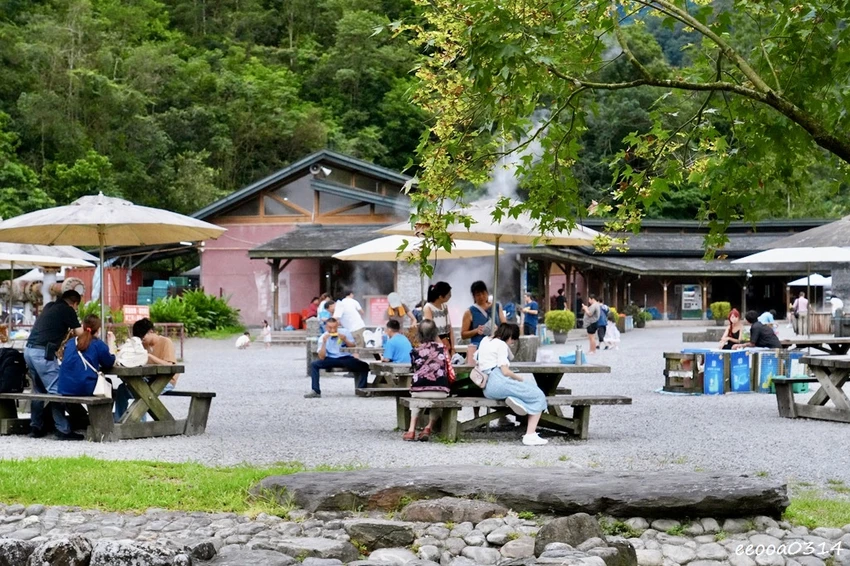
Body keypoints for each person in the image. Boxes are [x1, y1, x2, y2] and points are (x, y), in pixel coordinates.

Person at [24, 290, 84, 439]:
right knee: (56, 391)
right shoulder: (68, 310)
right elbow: (80, 333)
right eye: (77, 306)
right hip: (42, 353)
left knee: (38, 391)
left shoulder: (49, 306)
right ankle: (63, 430)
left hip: (29, 351)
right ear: (75, 303)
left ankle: (36, 427)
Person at [477, 323, 548, 446]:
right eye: (513, 340)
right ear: (509, 336)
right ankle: (530, 435)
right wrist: (519, 378)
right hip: (499, 382)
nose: (512, 343)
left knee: (523, 390)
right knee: (538, 395)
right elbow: (505, 371)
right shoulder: (501, 345)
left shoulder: (484, 340)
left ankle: (517, 401)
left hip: (487, 387)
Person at [55, 315, 116, 440]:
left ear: (83, 327)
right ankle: (101, 423)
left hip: (65, 387)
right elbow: (109, 362)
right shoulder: (98, 344)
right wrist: (111, 345)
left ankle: (82, 420)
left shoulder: (71, 342)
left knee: (75, 390)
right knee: (108, 384)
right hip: (86, 387)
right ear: (98, 330)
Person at [403, 320, 451, 442]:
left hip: (419, 390)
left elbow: (414, 368)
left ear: (419, 333)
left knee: (416, 399)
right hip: (441, 390)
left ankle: (411, 430)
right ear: (435, 332)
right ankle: (428, 428)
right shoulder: (443, 349)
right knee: (437, 400)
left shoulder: (416, 350)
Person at [306, 318, 370, 397]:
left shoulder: (345, 332)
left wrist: (345, 340)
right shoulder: (323, 337)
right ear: (326, 327)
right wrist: (324, 343)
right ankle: (315, 391)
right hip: (331, 359)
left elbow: (353, 347)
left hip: (346, 358)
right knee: (314, 364)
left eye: (335, 328)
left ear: (337, 326)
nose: (333, 330)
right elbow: (321, 357)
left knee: (364, 366)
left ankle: (362, 389)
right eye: (330, 328)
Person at [461, 281, 506, 363]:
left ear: (487, 293)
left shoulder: (496, 307)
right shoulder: (469, 312)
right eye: (478, 295)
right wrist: (476, 331)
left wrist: (499, 330)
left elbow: (505, 326)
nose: (481, 297)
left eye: (483, 293)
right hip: (479, 349)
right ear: (474, 296)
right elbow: (463, 334)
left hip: (496, 347)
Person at [423, 281, 454, 355]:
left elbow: (450, 327)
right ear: (440, 296)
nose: (450, 296)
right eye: (448, 295)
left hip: (447, 341)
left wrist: (453, 348)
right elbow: (431, 330)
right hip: (436, 342)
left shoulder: (445, 306)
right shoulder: (428, 307)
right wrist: (442, 347)